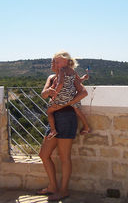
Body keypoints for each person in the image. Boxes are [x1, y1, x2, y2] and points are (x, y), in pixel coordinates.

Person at [37, 52, 88, 201]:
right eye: (53, 62)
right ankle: (52, 186)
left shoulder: (70, 77)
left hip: (67, 117)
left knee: (65, 157)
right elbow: (43, 94)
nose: (53, 64)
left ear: (65, 63)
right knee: (44, 155)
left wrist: (63, 105)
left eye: (56, 62)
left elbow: (83, 92)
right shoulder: (51, 78)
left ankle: (64, 190)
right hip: (54, 118)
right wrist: (47, 91)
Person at [46, 51, 91, 139]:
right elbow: (79, 81)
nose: (56, 64)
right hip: (72, 96)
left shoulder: (62, 70)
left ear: (65, 61)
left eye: (57, 62)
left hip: (63, 96)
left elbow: (60, 84)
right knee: (78, 111)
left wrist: (54, 95)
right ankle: (86, 127)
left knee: (49, 111)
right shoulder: (72, 71)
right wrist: (84, 78)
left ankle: (53, 130)